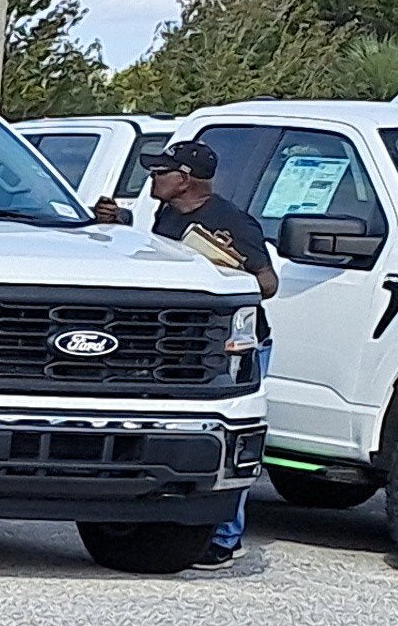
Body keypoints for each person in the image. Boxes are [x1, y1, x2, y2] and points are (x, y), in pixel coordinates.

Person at [112, 137, 276, 558]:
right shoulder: (166, 214)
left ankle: (225, 540)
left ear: (184, 180)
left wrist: (224, 267)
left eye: (160, 172)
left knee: (230, 435)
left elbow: (268, 283)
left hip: (235, 346)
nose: (153, 177)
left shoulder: (233, 222)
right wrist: (121, 221)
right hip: (182, 346)